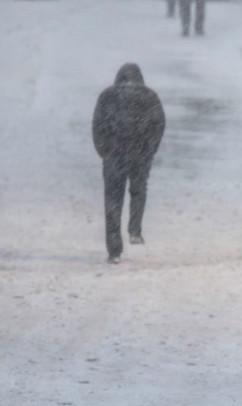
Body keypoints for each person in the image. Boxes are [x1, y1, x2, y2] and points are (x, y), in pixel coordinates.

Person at [92, 63, 166, 264]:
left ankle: (114, 250)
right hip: (139, 154)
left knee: (112, 201)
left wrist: (105, 152)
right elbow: (158, 124)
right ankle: (135, 230)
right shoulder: (150, 97)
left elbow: (98, 125)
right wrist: (149, 150)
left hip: (114, 156)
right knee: (138, 190)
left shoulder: (107, 96)